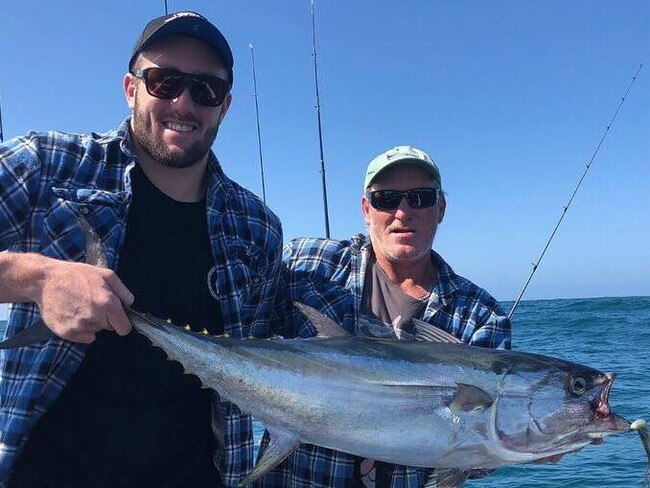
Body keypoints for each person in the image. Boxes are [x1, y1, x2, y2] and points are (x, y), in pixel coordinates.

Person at [0, 11, 282, 488]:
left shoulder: (257, 228)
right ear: (131, 88)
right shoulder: (48, 164)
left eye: (205, 90)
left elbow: (265, 375)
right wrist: (37, 279)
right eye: (164, 81)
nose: (184, 103)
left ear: (225, 106)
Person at [257, 145, 511, 488]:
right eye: (386, 199)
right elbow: (241, 311)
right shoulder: (311, 261)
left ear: (441, 208)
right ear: (366, 209)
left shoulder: (480, 316)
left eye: (420, 197)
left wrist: (532, 441)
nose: (403, 213)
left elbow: (476, 458)